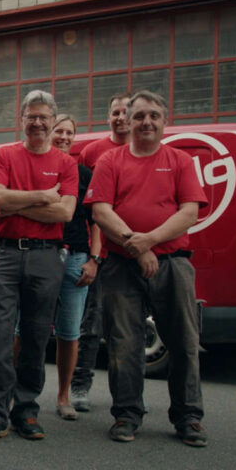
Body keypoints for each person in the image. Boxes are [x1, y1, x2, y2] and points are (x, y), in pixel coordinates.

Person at [84, 90, 208, 447]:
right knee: (124, 344)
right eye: (138, 116)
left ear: (165, 120)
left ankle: (188, 418)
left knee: (184, 343)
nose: (146, 122)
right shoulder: (110, 161)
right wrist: (136, 248)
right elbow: (101, 212)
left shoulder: (181, 161)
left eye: (153, 115)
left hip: (173, 265)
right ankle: (127, 414)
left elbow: (189, 213)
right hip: (121, 266)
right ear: (128, 119)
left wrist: (149, 241)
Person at [0, 90, 77, 445]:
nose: (37, 122)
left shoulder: (66, 164)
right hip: (2, 255)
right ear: (22, 119)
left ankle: (26, 409)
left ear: (53, 120)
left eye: (43, 117)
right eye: (31, 116)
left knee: (35, 335)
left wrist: (18, 205)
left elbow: (65, 212)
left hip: (47, 256)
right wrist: (43, 195)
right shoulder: (3, 154)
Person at [71, 92, 130, 412]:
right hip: (101, 252)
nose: (120, 117)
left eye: (126, 112)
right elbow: (84, 206)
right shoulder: (92, 152)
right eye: (115, 112)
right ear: (108, 117)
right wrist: (91, 255)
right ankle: (80, 386)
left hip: (135, 252)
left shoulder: (146, 152)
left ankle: (130, 395)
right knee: (90, 326)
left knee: (126, 329)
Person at [45, 115, 99, 421]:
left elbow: (96, 221)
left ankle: (63, 396)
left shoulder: (84, 175)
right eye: (59, 131)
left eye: (69, 132)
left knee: (69, 331)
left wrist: (94, 259)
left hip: (77, 257)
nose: (63, 136)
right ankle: (15, 392)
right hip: (42, 254)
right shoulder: (41, 169)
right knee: (24, 328)